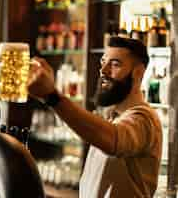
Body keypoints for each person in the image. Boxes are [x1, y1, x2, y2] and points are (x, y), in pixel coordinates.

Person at [28, 37, 162, 198]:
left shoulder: (144, 119)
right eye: (103, 62)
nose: (103, 71)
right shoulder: (112, 116)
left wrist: (52, 97)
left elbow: (114, 140)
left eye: (115, 64)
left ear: (138, 73)